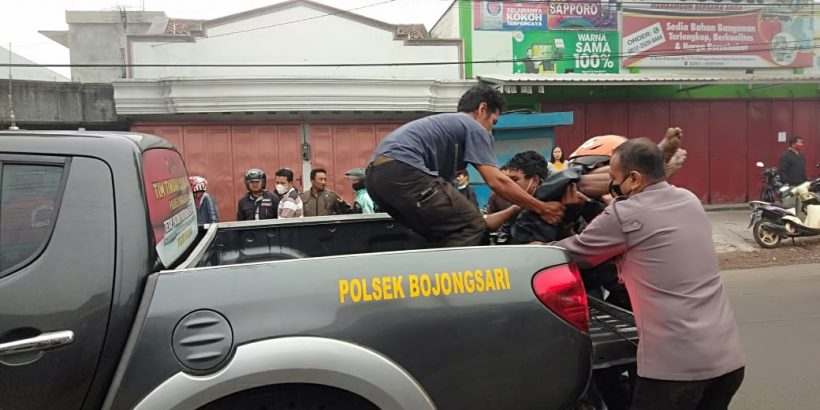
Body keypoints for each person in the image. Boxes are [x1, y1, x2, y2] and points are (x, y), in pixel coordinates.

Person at [554, 138, 745, 410]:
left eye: (613, 177)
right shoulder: (689, 199)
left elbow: (575, 253)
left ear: (633, 178)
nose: (611, 184)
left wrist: (539, 247)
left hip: (674, 372)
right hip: (727, 362)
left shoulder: (625, 213)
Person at [365, 84, 564, 247]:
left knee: (438, 232)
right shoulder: (472, 126)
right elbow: (496, 181)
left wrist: (514, 208)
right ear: (482, 109)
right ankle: (456, 290)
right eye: (493, 122)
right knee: (471, 226)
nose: (491, 131)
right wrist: (542, 208)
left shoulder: (447, 131)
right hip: (403, 170)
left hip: (376, 178)